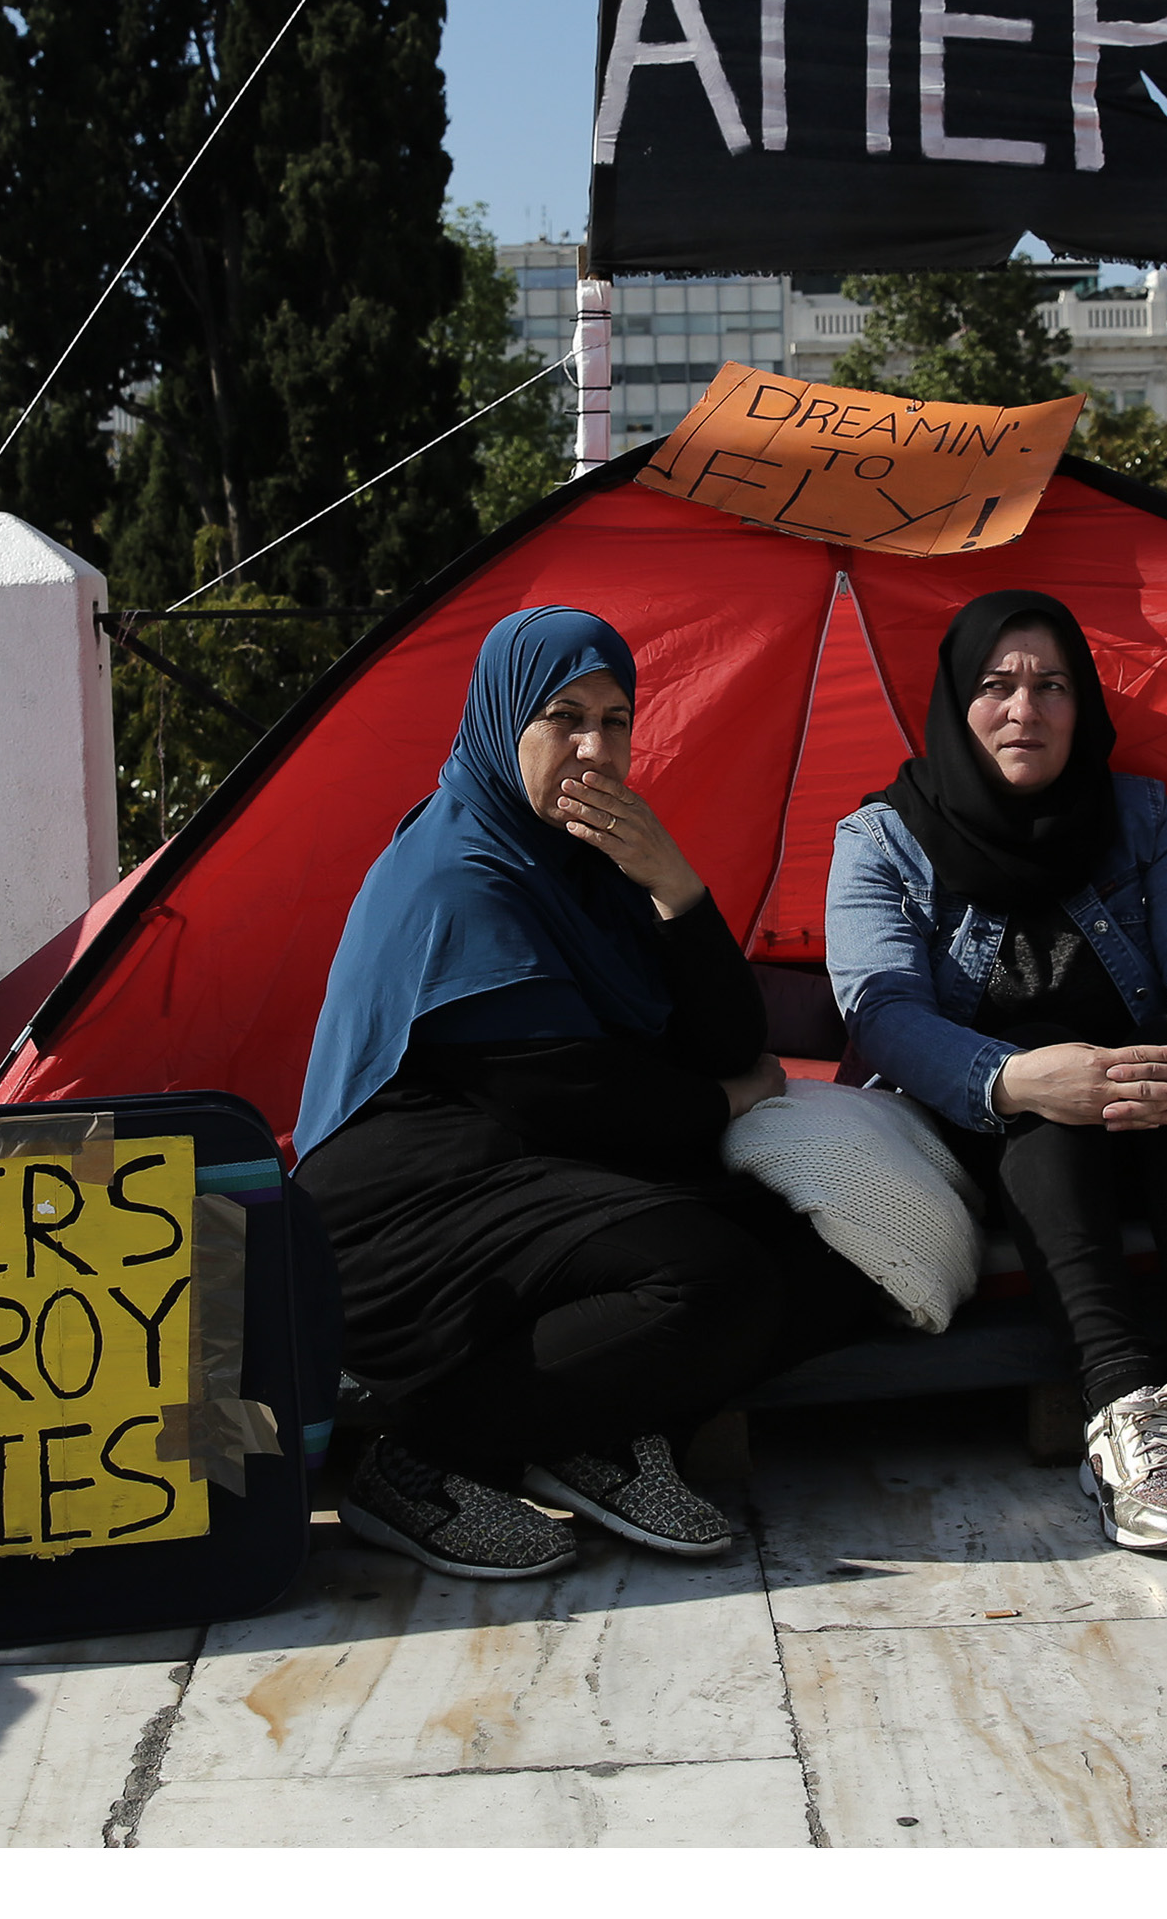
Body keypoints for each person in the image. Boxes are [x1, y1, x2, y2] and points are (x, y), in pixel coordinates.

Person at [294, 605, 886, 1582]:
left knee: (837, 1234)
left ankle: (592, 1429)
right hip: (401, 1210)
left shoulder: (590, 867)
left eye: (615, 722)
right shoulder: (460, 873)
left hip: (532, 1167)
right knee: (708, 1276)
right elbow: (573, 1096)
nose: (593, 748)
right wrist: (735, 1100)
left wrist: (674, 884)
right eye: (564, 717)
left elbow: (726, 1036)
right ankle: (428, 1463)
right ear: (501, 723)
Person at [824, 588, 1167, 1554]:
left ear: (1081, 704)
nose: (1024, 710)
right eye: (996, 685)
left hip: (1145, 1109)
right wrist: (1015, 1079)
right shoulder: (879, 838)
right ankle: (1124, 1404)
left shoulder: (1140, 816)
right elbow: (881, 1015)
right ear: (957, 701)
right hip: (992, 1121)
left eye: (1051, 685)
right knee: (1045, 1115)